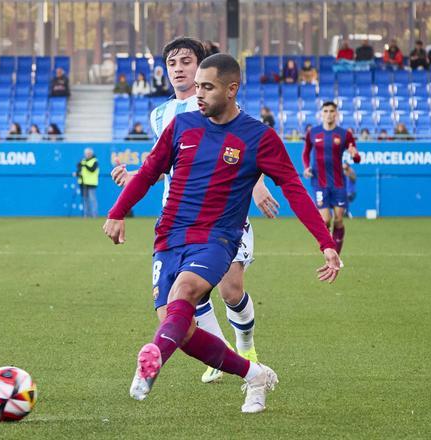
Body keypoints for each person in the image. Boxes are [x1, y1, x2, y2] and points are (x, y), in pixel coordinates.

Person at [103, 53, 342, 412]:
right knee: (179, 330)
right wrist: (118, 212)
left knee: (186, 293)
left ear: (232, 90)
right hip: (168, 238)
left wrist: (325, 242)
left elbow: (293, 187)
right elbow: (150, 171)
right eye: (197, 86)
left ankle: (151, 363)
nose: (198, 94)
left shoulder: (258, 137)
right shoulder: (182, 126)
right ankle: (254, 374)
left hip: (217, 238)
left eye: (207, 87)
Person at [111, 37, 281, 385]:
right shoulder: (160, 114)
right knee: (188, 295)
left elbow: (246, 144)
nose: (178, 69)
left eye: (186, 61)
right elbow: (162, 163)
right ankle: (221, 356)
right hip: (178, 220)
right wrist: (134, 178)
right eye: (172, 63)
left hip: (222, 217)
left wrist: (258, 183)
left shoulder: (214, 102)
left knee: (231, 291)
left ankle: (245, 348)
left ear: (201, 66)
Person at [302, 101, 361, 255]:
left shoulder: (344, 134)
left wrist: (355, 155)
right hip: (319, 182)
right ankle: (329, 252)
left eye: (331, 111)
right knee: (325, 221)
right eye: (326, 111)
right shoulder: (313, 133)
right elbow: (306, 152)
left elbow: (357, 158)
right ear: (321, 113)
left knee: (339, 220)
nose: (328, 114)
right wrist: (307, 167)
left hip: (339, 183)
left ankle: (337, 255)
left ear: (337, 114)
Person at [77, 148, 98, 218]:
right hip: (84, 183)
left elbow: (92, 170)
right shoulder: (83, 161)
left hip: (92, 183)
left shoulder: (95, 161)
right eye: (86, 153)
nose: (87, 155)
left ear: (91, 154)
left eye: (89, 153)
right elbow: (79, 168)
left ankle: (94, 215)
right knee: (85, 200)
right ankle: (86, 215)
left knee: (92, 199)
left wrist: (84, 165)